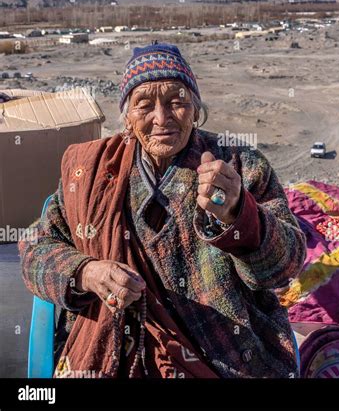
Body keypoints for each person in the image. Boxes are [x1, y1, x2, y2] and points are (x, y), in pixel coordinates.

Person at [19, 42, 307, 378]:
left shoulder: (240, 165)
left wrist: (239, 213)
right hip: (112, 350)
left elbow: (285, 268)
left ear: (196, 110)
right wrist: (86, 272)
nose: (161, 118)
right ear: (127, 118)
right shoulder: (91, 172)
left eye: (177, 102)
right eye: (144, 105)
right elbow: (34, 253)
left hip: (224, 353)